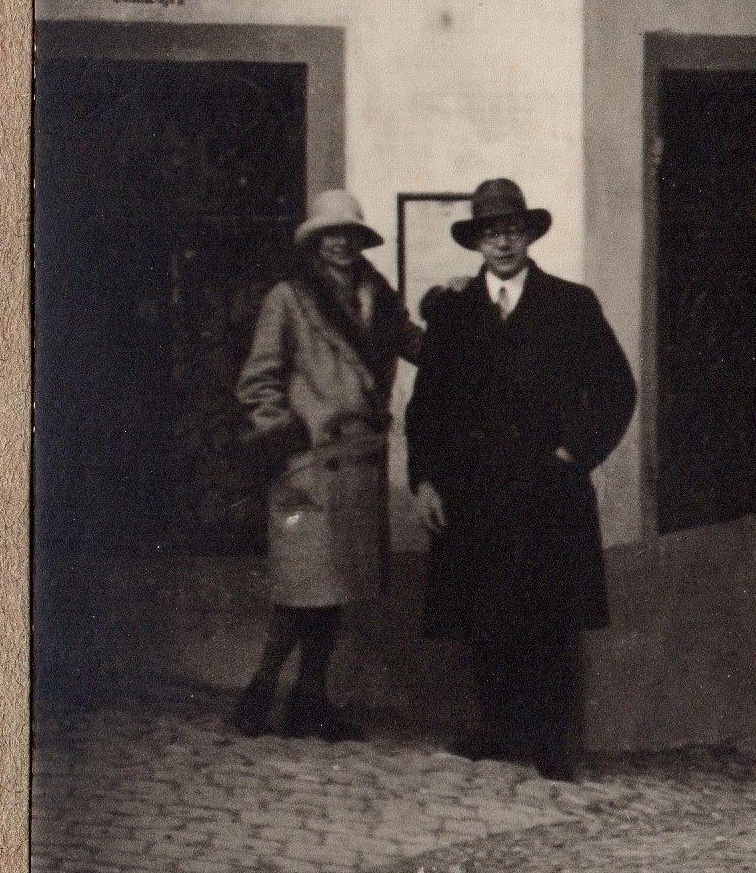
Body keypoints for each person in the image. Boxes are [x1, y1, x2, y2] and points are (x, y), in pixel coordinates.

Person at [405, 178, 636, 781]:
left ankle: (553, 745)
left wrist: (573, 452)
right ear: (476, 243)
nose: (502, 242)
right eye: (490, 233)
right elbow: (426, 407)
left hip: (548, 489)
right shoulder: (454, 313)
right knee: (486, 612)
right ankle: (497, 730)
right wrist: (425, 482)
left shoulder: (571, 304)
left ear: (528, 235)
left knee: (550, 617)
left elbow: (616, 388)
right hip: (474, 490)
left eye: (511, 230)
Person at [231, 189, 422, 740]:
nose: (341, 242)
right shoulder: (289, 299)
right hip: (311, 464)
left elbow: (420, 346)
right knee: (302, 589)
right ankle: (258, 694)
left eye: (350, 233)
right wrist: (291, 436)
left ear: (362, 240)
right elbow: (258, 381)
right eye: (329, 233)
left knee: (334, 590)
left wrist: (454, 307)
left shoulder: (378, 298)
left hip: (358, 461)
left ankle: (308, 703)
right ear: (315, 242)